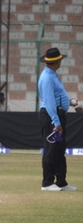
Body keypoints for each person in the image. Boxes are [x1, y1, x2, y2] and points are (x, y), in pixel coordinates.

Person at [37, 47, 77, 192]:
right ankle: (47, 182)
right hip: (50, 116)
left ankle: (61, 181)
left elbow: (57, 97)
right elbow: (49, 102)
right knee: (51, 148)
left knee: (59, 149)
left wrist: (70, 102)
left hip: (57, 115)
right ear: (56, 61)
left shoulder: (52, 75)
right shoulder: (47, 78)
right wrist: (56, 123)